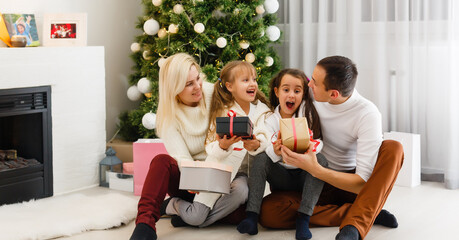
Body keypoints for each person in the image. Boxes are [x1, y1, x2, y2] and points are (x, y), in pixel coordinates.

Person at [259, 56, 404, 240]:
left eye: (314, 83)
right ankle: (366, 212)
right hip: (314, 185)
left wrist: (316, 169)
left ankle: (354, 226)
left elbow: (362, 183)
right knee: (268, 212)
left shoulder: (367, 113)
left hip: (348, 184)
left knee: (394, 148)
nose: (308, 84)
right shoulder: (307, 99)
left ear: (333, 94)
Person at [162, 60, 272, 228]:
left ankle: (188, 219)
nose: (253, 84)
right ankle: (173, 205)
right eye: (246, 80)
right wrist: (223, 146)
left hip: (243, 176)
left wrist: (256, 144)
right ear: (229, 86)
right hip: (219, 170)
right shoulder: (222, 110)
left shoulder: (263, 110)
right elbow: (210, 146)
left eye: (254, 79)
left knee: (241, 192)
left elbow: (266, 136)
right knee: (196, 216)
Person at [130, 53, 214, 240]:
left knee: (240, 214)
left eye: (198, 78)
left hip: (218, 173)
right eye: (188, 84)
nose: (198, 86)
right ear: (174, 88)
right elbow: (182, 158)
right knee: (161, 161)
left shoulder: (213, 93)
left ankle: (177, 208)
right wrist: (195, 179)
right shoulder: (168, 116)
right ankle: (145, 225)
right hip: (191, 182)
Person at [237, 69, 328, 240]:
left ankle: (304, 218)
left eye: (297, 91)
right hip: (282, 176)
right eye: (286, 90)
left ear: (303, 94)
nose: (291, 95)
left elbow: (319, 142)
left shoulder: (308, 114)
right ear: (277, 92)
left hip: (303, 173)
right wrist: (276, 151)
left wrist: (310, 147)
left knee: (321, 160)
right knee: (261, 157)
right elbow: (266, 148)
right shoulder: (270, 120)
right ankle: (251, 216)